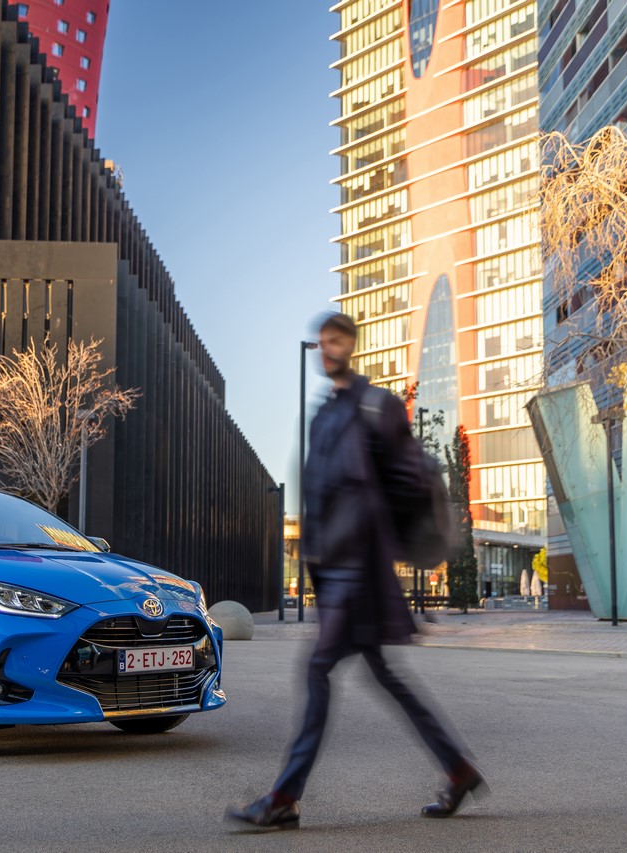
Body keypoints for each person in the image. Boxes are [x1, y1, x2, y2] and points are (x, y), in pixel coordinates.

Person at [226, 312, 485, 831]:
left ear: (352, 346)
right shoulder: (325, 414)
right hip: (335, 568)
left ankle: (284, 796)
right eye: (323, 342)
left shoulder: (376, 406)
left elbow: (409, 477)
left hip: (360, 566)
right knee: (385, 675)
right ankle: (458, 770)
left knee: (318, 670)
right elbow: (318, 495)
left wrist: (377, 529)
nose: (328, 349)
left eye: (337, 341)